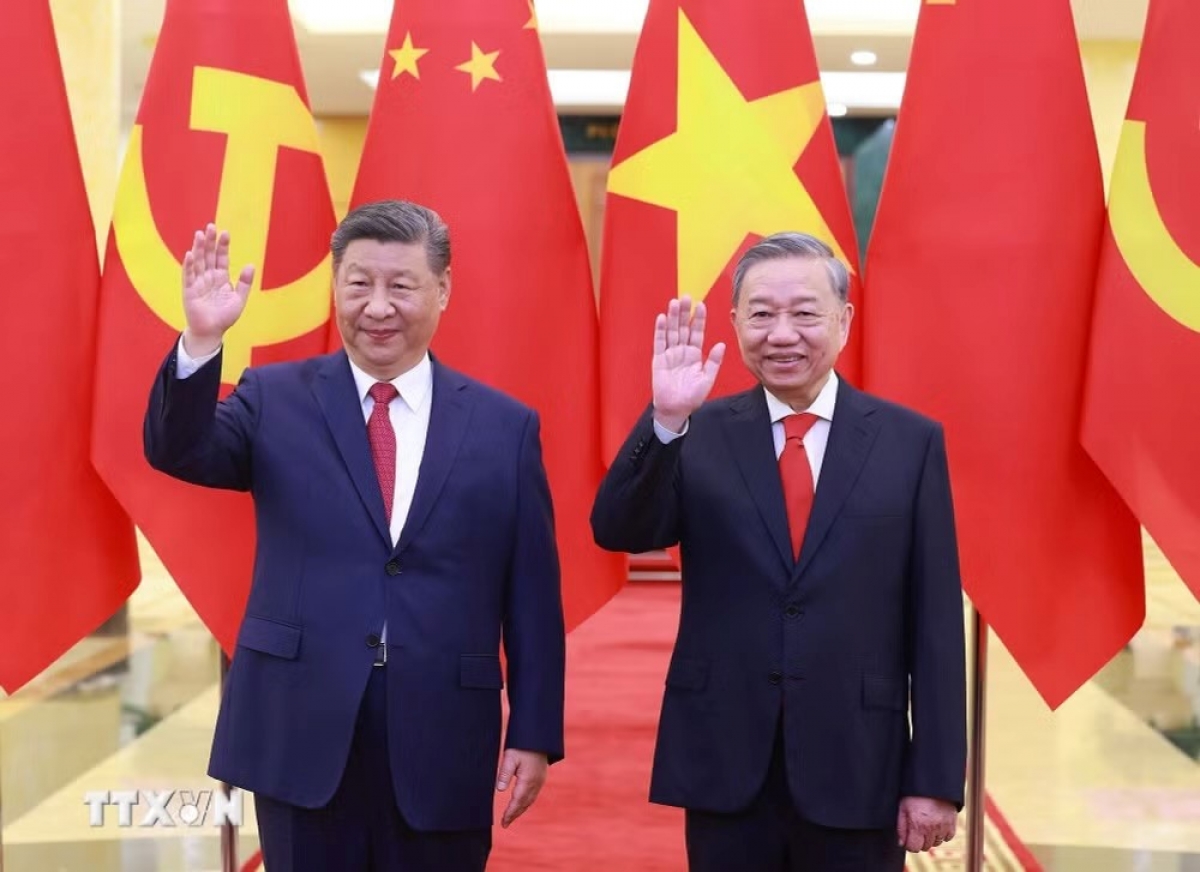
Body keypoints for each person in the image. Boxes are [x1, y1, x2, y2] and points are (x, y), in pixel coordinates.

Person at [144, 200, 565, 872]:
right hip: (301, 723)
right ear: (335, 287)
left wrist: (536, 729)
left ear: (443, 289)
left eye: (401, 286)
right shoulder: (274, 398)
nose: (377, 307)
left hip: (444, 729)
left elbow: (532, 593)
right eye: (358, 283)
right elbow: (180, 450)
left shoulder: (503, 426)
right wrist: (200, 343)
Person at [591, 232, 967, 871]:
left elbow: (933, 622)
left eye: (804, 312)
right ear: (735, 322)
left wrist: (933, 777)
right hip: (726, 754)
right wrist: (664, 422)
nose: (782, 333)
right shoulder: (698, 431)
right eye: (761, 313)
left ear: (844, 320)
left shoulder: (910, 443)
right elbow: (620, 528)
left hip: (858, 759)